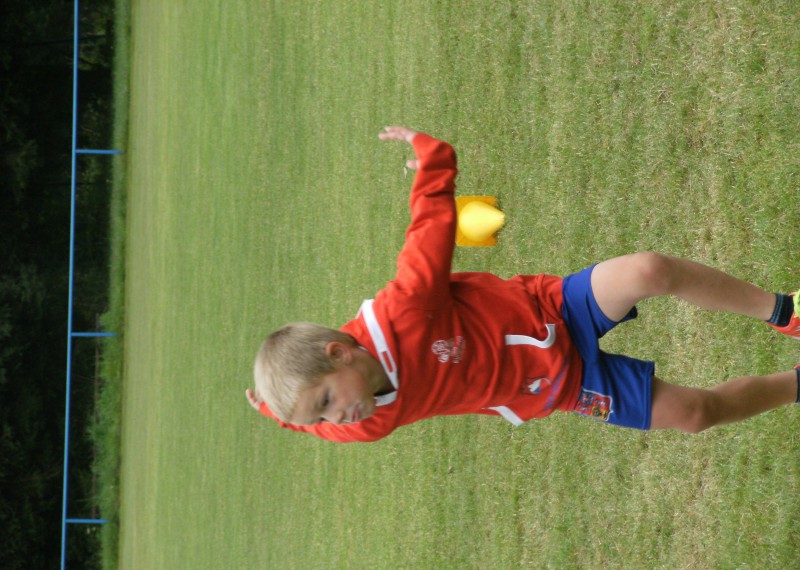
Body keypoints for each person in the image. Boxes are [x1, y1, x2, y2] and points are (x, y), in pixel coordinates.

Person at [246, 126, 800, 443]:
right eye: (319, 417)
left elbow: (429, 232)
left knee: (647, 269)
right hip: (558, 387)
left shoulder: (404, 310)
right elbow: (310, 421)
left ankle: (784, 311)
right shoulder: (364, 421)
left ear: (339, 352)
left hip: (551, 310)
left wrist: (433, 158)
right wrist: (277, 410)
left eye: (326, 401)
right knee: (695, 414)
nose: (335, 419)